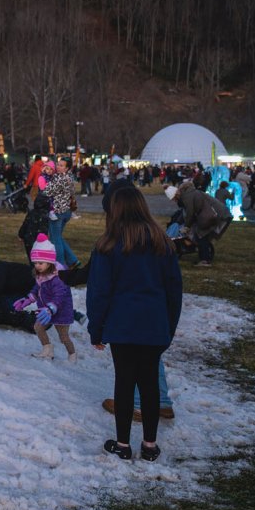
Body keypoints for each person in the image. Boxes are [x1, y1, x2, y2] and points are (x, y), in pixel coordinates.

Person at [87, 186, 182, 462]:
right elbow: (174, 290)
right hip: (154, 325)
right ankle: (150, 445)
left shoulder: (107, 245)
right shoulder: (162, 243)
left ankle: (123, 444)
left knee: (125, 383)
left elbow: (98, 293)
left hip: (122, 326)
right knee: (149, 384)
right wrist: (169, 327)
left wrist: (97, 329)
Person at [12, 234, 77, 362]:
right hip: (46, 311)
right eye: (35, 263)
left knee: (63, 337)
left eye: (40, 263)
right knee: (38, 327)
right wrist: (27, 300)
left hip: (61, 310)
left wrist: (51, 308)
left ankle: (72, 355)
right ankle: (48, 349)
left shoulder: (58, 277)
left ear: (50, 262)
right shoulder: (41, 275)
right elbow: (37, 289)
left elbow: (59, 295)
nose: (37, 266)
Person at [166, 182, 231, 267]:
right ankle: (204, 257)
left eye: (174, 199)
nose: (175, 201)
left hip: (217, 214)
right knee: (201, 235)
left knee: (201, 236)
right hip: (216, 213)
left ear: (176, 194)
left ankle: (205, 261)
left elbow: (190, 213)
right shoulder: (189, 194)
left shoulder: (187, 196)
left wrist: (186, 227)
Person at [44, 158, 79, 269]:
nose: (58, 167)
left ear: (67, 168)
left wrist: (45, 181)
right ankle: (73, 260)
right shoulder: (70, 177)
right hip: (67, 211)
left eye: (62, 165)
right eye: (58, 164)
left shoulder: (60, 178)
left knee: (55, 239)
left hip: (58, 212)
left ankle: (60, 264)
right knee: (58, 236)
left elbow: (47, 191)